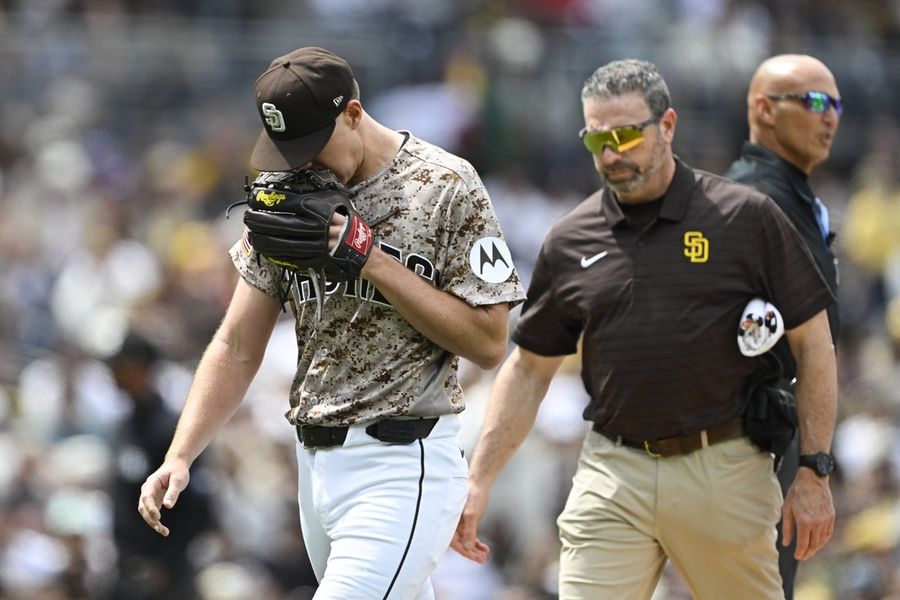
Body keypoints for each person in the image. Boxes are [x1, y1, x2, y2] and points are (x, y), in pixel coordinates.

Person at [137, 46, 525, 600]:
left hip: (402, 460)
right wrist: (180, 454)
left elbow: (490, 342)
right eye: (289, 150)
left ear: (353, 113)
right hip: (314, 464)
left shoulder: (445, 185)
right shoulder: (287, 195)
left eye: (313, 147)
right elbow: (238, 344)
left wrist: (371, 259)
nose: (303, 164)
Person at [451, 58, 837, 599]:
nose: (611, 154)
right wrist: (477, 479)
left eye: (628, 135)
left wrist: (815, 471)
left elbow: (814, 343)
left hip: (724, 466)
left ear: (669, 126)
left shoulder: (745, 218)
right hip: (613, 468)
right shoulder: (570, 238)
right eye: (596, 140)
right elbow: (529, 367)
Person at [724, 54, 842, 600]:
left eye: (836, 104)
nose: (830, 116)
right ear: (764, 110)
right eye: (815, 101)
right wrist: (813, 468)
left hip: (770, 432)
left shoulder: (788, 192)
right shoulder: (757, 196)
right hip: (752, 441)